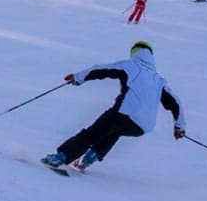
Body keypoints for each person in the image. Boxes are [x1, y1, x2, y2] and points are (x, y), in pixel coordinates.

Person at [42, 40, 184, 173]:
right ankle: (88, 159)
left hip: (123, 114)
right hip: (142, 127)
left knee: (92, 134)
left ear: (135, 52)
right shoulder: (159, 80)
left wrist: (78, 77)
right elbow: (175, 102)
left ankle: (61, 157)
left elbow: (102, 69)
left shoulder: (131, 65)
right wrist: (179, 126)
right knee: (114, 131)